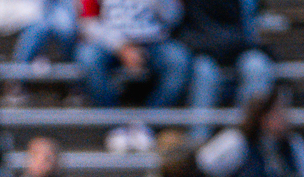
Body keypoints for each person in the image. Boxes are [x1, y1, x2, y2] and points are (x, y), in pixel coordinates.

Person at [180, 0, 276, 141]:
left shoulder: (246, 3)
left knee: (257, 67)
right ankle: (198, 140)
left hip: (238, 47)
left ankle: (248, 139)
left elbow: (250, 35)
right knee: (204, 72)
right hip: (203, 49)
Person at [75, 0, 190, 108]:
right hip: (107, 42)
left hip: (154, 41)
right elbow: (88, 22)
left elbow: (174, 18)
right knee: (87, 57)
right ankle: (111, 119)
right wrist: (120, 46)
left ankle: (150, 121)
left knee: (178, 60)